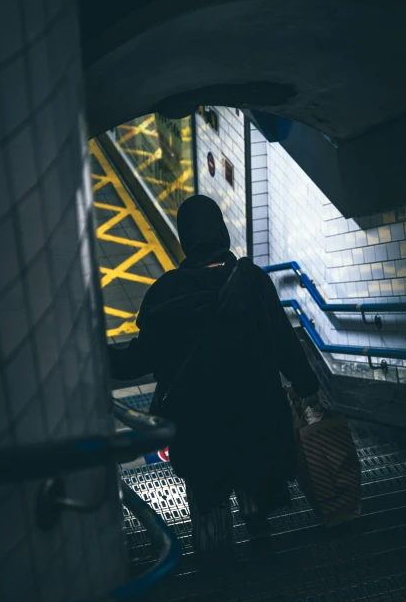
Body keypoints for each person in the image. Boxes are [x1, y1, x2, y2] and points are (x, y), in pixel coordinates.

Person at [108, 194, 319, 554]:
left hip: (200, 433)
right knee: (256, 490)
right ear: (221, 231)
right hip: (256, 423)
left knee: (210, 507)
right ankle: (264, 553)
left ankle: (217, 573)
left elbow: (136, 362)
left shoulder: (167, 293)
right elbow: (286, 345)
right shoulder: (253, 281)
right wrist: (307, 386)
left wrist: (93, 350)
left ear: (185, 239)